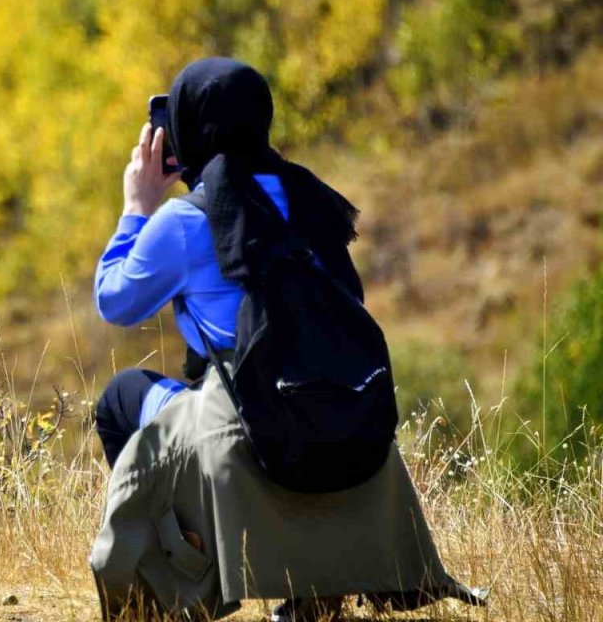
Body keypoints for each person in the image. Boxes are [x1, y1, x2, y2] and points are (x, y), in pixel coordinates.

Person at [88, 58, 484, 621]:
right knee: (206, 382)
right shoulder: (310, 199)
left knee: (122, 399)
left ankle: (185, 565)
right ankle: (309, 595)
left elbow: (115, 302)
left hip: (246, 418)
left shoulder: (185, 220)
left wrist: (136, 208)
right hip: (335, 414)